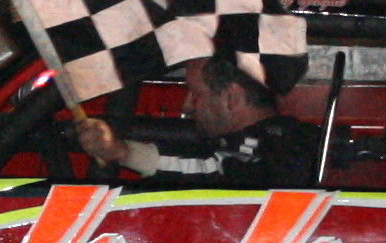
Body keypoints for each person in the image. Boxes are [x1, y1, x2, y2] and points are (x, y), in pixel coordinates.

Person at [71, 54, 325, 188]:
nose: (187, 105)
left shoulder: (277, 150)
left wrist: (121, 151)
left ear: (232, 97)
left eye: (196, 93)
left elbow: (210, 169)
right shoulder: (271, 141)